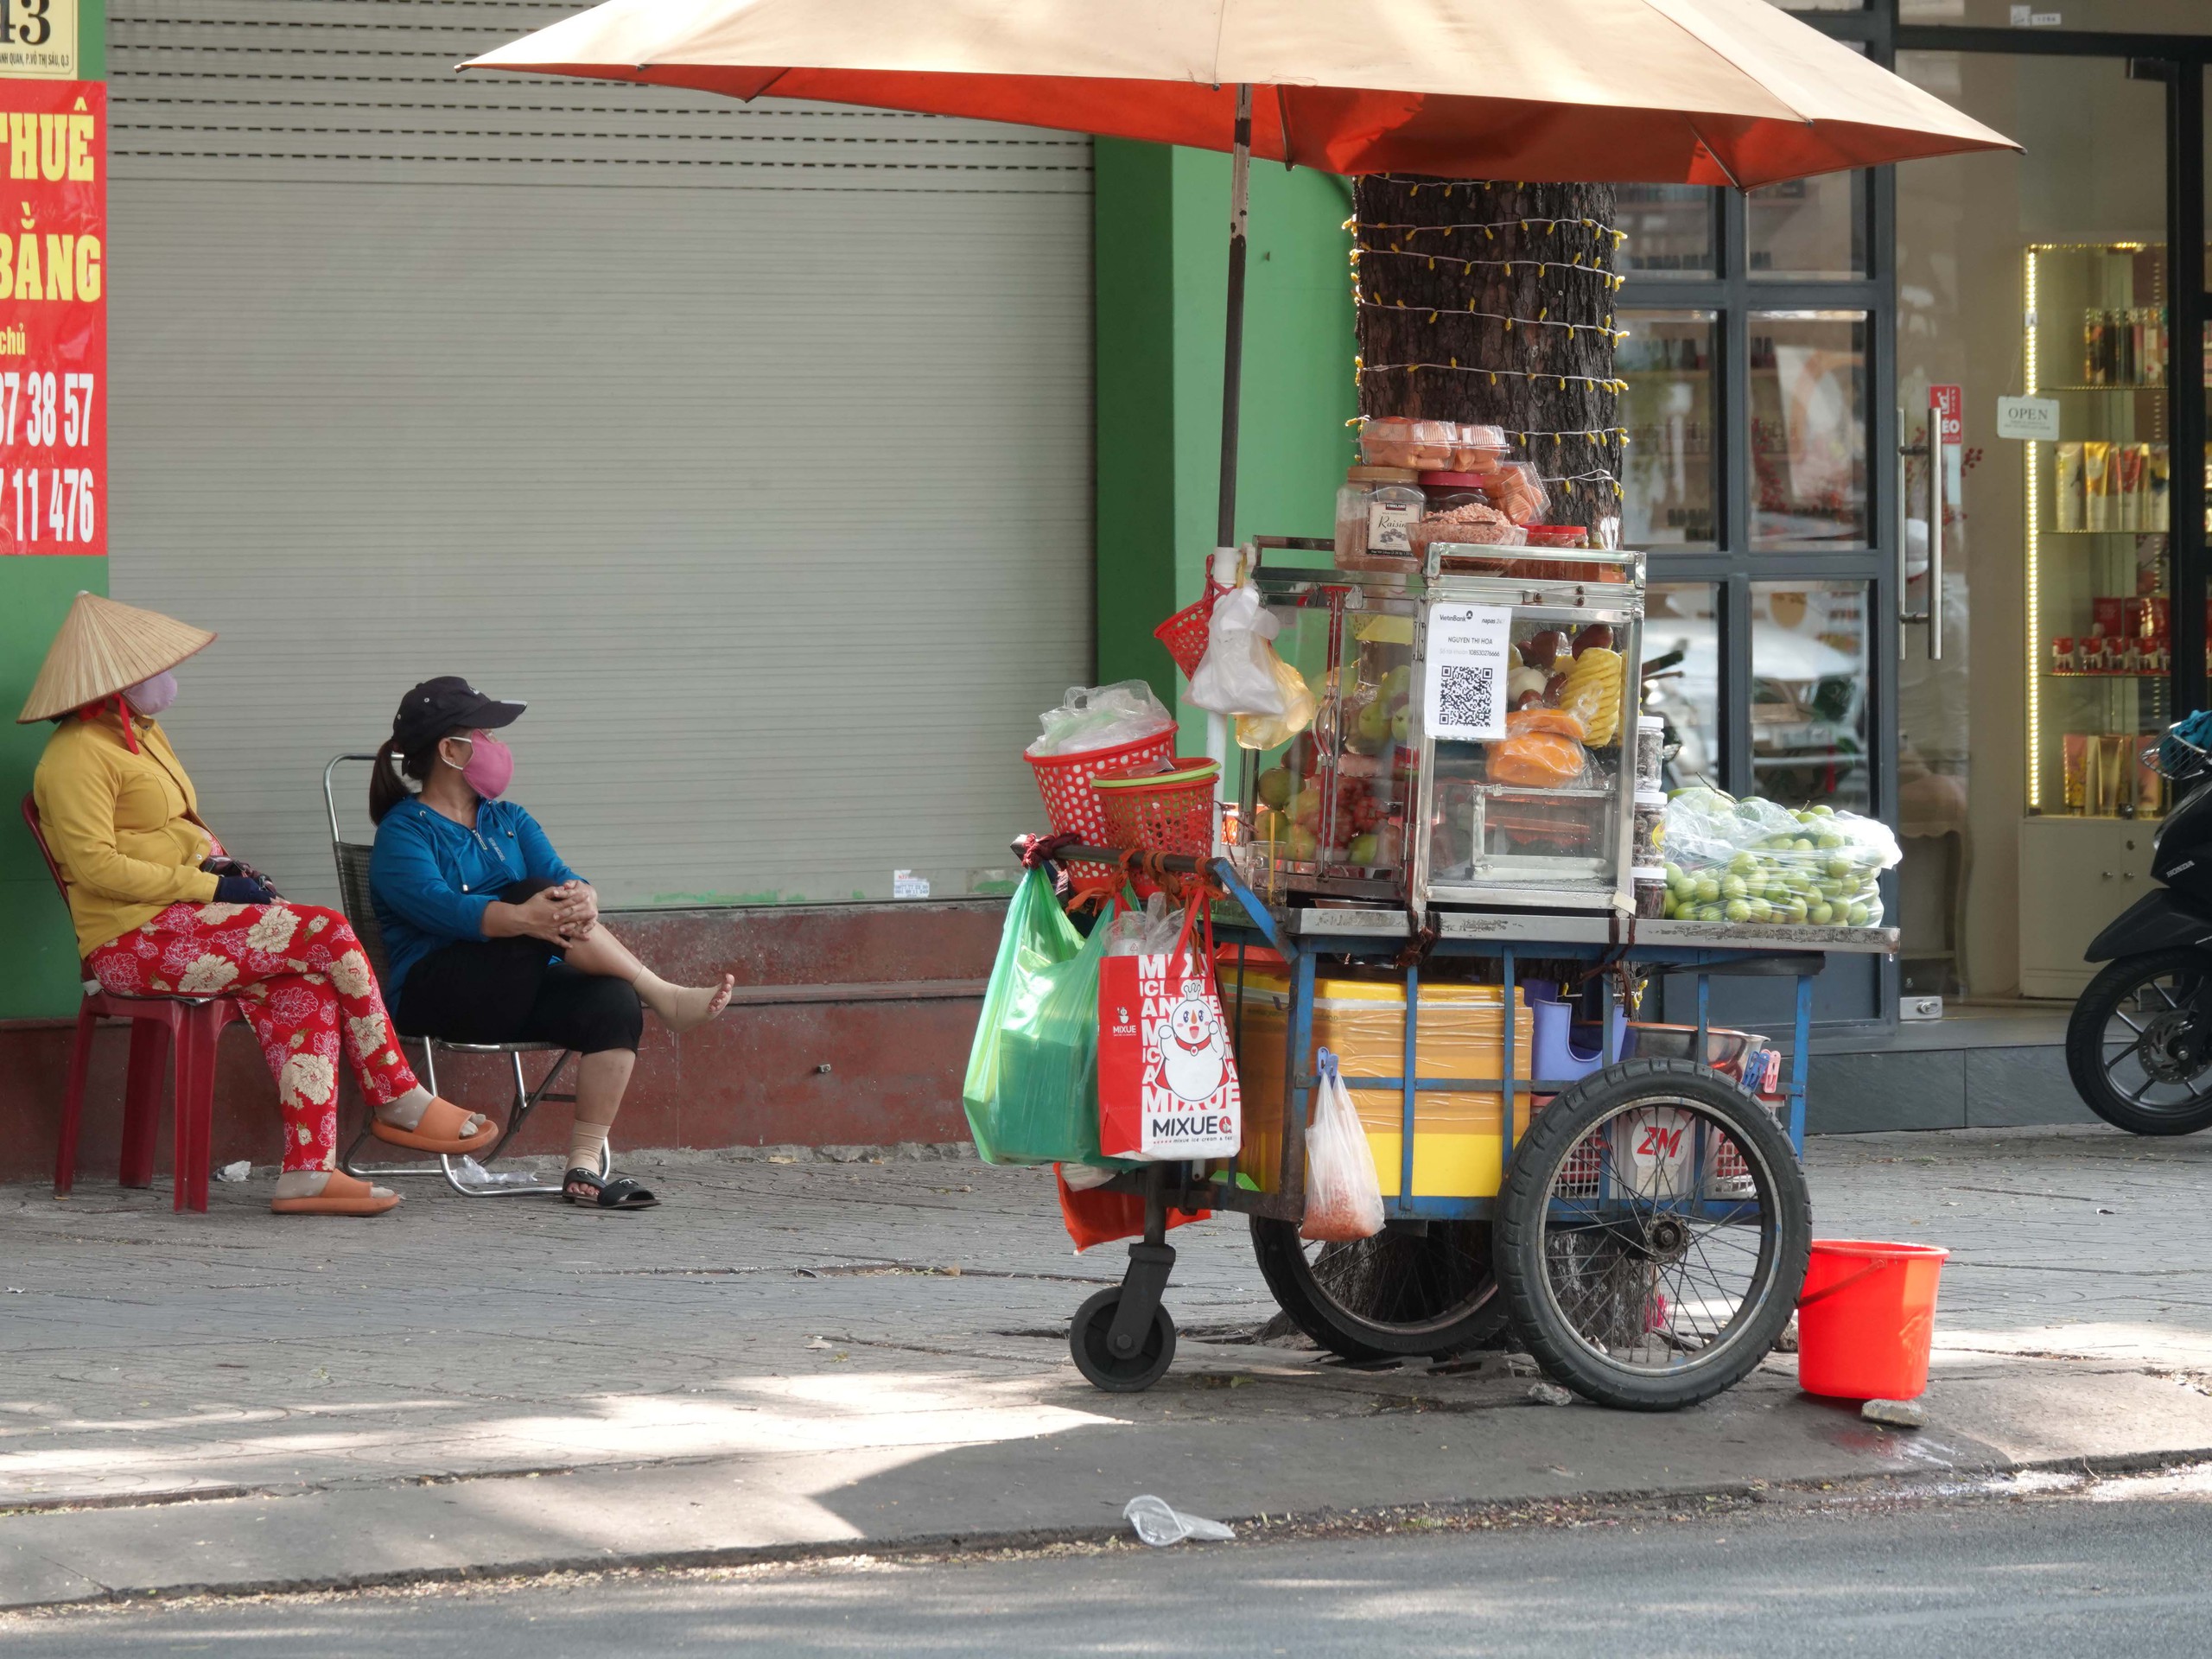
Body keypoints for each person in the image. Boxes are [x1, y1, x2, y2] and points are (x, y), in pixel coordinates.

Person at [22, 593, 497, 1217]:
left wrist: (219, 863)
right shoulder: (75, 757)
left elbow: (174, 828)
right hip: (131, 944)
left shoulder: (141, 736)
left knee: (309, 992)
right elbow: (97, 868)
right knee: (326, 931)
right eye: (152, 670)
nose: (166, 680)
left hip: (184, 926)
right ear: (115, 683)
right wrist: (211, 888)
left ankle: (307, 1173)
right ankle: (395, 1092)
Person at [367, 677, 734, 1211]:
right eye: (483, 734)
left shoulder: (510, 820)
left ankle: (584, 1165)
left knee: (611, 998)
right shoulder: (404, 832)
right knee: (532, 894)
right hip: (440, 992)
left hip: (516, 985)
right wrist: (523, 915)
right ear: (450, 750)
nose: (496, 745)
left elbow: (564, 878)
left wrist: (584, 896)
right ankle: (665, 993)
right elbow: (437, 905)